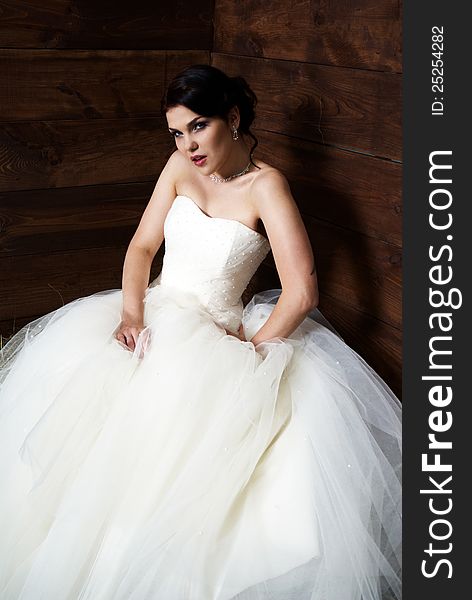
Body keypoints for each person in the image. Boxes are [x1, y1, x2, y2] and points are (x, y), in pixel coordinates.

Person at [0, 64, 401, 600]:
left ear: (232, 119)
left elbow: (302, 291)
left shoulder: (267, 185)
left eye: (198, 126)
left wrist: (254, 349)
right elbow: (142, 248)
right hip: (156, 313)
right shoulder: (178, 168)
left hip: (214, 331)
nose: (187, 145)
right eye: (176, 132)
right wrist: (131, 315)